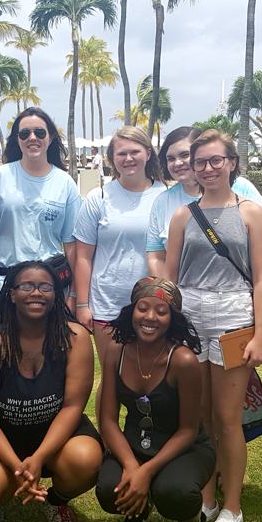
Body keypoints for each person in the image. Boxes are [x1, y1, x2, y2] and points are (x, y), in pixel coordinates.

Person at [164, 129, 262, 522]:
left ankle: (233, 506)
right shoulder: (182, 216)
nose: (207, 169)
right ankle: (205, 496)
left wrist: (260, 333)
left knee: (228, 419)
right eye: (200, 162)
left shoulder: (250, 213)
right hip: (190, 316)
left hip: (233, 315)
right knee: (200, 416)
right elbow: (170, 280)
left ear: (231, 163)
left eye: (216, 160)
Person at [0, 261, 102, 522]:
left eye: (45, 287)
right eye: (26, 286)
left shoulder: (75, 338)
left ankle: (56, 501)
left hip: (54, 434)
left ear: (56, 295)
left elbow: (73, 406)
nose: (36, 293)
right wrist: (17, 465)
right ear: (11, 294)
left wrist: (39, 458)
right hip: (2, 437)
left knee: (86, 459)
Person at [95, 277, 216, 522]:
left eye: (162, 312)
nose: (150, 317)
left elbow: (189, 430)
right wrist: (131, 466)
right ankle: (136, 512)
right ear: (132, 311)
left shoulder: (183, 360)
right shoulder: (117, 351)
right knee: (108, 490)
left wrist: (146, 472)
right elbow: (108, 420)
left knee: (174, 493)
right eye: (143, 308)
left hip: (184, 448)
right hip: (135, 445)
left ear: (172, 318)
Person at [74, 126, 165, 364]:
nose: (128, 159)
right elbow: (83, 256)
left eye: (135, 151)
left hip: (153, 305)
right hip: (107, 303)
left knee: (150, 380)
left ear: (148, 153)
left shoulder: (165, 196)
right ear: (112, 158)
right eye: (121, 153)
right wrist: (82, 304)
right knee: (112, 380)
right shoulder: (99, 197)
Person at [0, 108, 82, 305]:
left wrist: (74, 296)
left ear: (50, 137)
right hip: (2, 289)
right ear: (17, 139)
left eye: (39, 132)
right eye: (24, 133)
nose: (32, 138)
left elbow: (72, 246)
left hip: (49, 291)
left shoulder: (65, 183)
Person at [147, 125, 262, 278]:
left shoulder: (242, 189)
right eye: (170, 158)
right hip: (185, 296)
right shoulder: (163, 201)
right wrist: (167, 295)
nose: (177, 163)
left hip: (237, 292)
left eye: (185, 155)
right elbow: (156, 256)